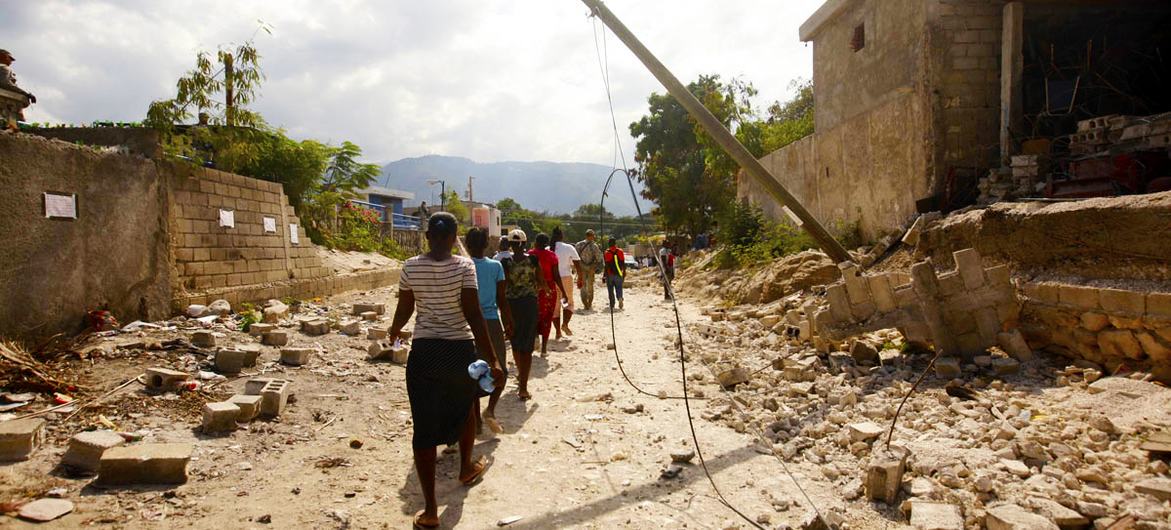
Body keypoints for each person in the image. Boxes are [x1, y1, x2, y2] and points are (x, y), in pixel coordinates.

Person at [388, 212, 504, 530]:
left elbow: (406, 306)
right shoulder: (464, 266)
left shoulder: (410, 266)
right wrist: (492, 359)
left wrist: (395, 329)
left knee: (423, 427)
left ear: (428, 237)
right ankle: (465, 467)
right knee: (466, 408)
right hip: (458, 351)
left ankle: (429, 512)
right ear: (455, 238)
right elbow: (473, 314)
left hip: (424, 353)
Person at [466, 227, 513, 434]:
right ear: (486, 244)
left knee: (472, 372)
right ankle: (490, 410)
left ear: (467, 244)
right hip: (492, 322)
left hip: (467, 323)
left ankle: (476, 421)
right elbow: (502, 300)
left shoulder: (462, 266)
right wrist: (509, 322)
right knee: (500, 370)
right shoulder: (496, 267)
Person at [503, 229, 544, 400]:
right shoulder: (533, 260)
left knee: (515, 342)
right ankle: (523, 387)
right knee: (527, 346)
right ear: (525, 243)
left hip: (511, 306)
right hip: (529, 305)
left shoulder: (505, 263)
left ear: (510, 245)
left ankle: (521, 376)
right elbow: (541, 282)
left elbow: (503, 287)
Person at [529, 233, 564, 354]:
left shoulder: (530, 254)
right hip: (549, 290)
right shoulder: (552, 256)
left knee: (533, 315)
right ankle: (544, 349)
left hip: (533, 288)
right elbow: (556, 276)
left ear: (536, 242)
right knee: (547, 317)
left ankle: (534, 338)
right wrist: (563, 292)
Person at [550, 227, 581, 336]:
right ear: (562, 236)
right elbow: (577, 263)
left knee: (555, 306)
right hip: (566, 278)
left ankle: (558, 331)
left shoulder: (549, 248)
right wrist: (580, 277)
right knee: (568, 303)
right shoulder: (568, 248)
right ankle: (565, 324)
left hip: (553, 280)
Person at [0, 49, 36, 129]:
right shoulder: (4, 68)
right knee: (21, 99)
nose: (11, 61)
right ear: (2, 56)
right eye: (9, 58)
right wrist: (25, 94)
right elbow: (5, 83)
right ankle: (12, 125)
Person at [575, 229, 603, 311]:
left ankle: (585, 304)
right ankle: (589, 303)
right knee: (590, 287)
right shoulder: (594, 246)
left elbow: (575, 257)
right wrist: (595, 266)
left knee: (583, 287)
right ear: (591, 236)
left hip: (581, 268)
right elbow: (599, 258)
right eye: (593, 235)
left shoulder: (579, 244)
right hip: (591, 268)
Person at [603, 238, 626, 310]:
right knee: (619, 287)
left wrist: (604, 276)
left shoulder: (606, 252)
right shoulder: (620, 251)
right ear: (615, 243)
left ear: (609, 244)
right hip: (618, 273)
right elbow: (623, 263)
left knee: (610, 290)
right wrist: (624, 272)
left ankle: (612, 304)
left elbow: (606, 265)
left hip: (609, 274)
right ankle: (620, 298)